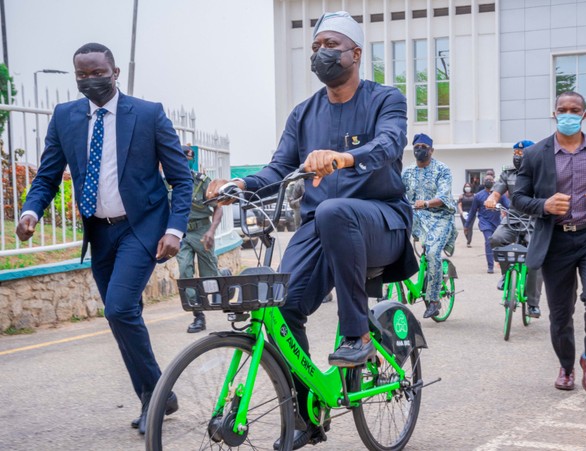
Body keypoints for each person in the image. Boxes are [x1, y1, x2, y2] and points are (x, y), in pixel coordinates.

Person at [205, 12, 417, 449]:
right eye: (317, 45)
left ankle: (357, 334)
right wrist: (240, 185)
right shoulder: (303, 114)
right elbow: (279, 167)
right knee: (281, 307)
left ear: (356, 53)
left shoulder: (386, 99)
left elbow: (390, 143)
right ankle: (308, 413)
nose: (322, 53)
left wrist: (344, 157)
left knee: (337, 210)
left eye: (332, 45)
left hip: (382, 222)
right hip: (321, 229)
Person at [16, 43, 192, 433]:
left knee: (118, 309)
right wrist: (30, 211)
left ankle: (157, 395)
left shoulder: (148, 114)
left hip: (141, 227)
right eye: (82, 75)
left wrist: (175, 229)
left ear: (115, 72)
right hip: (99, 232)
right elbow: (47, 175)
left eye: (98, 73)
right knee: (122, 317)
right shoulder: (65, 117)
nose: (90, 81)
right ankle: (157, 396)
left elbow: (181, 179)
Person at [512, 91, 586, 395]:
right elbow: (518, 198)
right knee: (561, 313)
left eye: (575, 110)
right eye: (562, 109)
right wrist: (545, 205)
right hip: (556, 241)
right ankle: (566, 366)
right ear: (554, 113)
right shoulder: (536, 154)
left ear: (584, 114)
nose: (568, 114)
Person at [402, 133, 457, 318]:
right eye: (417, 146)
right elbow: (397, 192)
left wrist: (425, 203)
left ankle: (434, 300)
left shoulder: (442, 169)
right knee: (392, 239)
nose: (420, 150)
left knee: (433, 253)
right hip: (416, 215)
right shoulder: (407, 172)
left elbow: (444, 196)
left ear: (431, 150)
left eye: (424, 147)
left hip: (440, 217)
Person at [486, 140, 543, 318]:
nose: (518, 157)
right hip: (513, 218)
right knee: (496, 239)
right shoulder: (508, 174)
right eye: (516, 154)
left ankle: (533, 303)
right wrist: (492, 200)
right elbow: (497, 192)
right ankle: (505, 274)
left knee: (535, 259)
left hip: (535, 221)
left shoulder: (542, 174)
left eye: (522, 154)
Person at [177, 145, 223, 333]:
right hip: (182, 234)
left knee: (209, 276)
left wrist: (211, 231)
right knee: (185, 273)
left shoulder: (202, 182)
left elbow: (218, 208)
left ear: (190, 160)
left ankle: (223, 278)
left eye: (186, 158)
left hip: (202, 231)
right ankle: (198, 316)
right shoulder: (168, 183)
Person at [465, 174, 509, 274]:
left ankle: (499, 261)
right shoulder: (479, 196)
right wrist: (467, 225)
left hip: (496, 222)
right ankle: (490, 266)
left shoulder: (499, 195)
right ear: (484, 183)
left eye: (491, 180)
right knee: (489, 241)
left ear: (494, 182)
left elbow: (508, 205)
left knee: (498, 242)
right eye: (487, 180)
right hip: (484, 222)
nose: (489, 181)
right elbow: (472, 211)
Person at [457, 182, 475, 247]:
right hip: (464, 213)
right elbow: (459, 205)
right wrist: (461, 212)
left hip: (472, 213)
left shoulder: (474, 196)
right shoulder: (461, 196)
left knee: (470, 227)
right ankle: (467, 238)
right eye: (466, 186)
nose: (467, 188)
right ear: (464, 188)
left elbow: (476, 205)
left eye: (468, 186)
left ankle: (469, 242)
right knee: (465, 227)